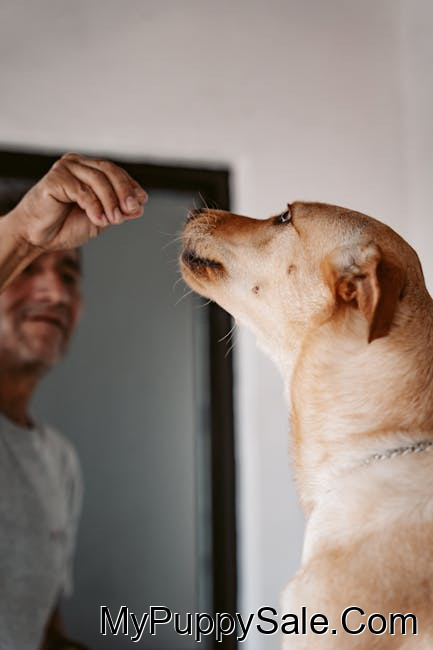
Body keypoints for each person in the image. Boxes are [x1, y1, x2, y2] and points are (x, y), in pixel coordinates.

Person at [0, 153, 148, 650]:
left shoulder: (58, 461)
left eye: (68, 273)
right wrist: (22, 232)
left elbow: (38, 629)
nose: (55, 292)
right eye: (29, 269)